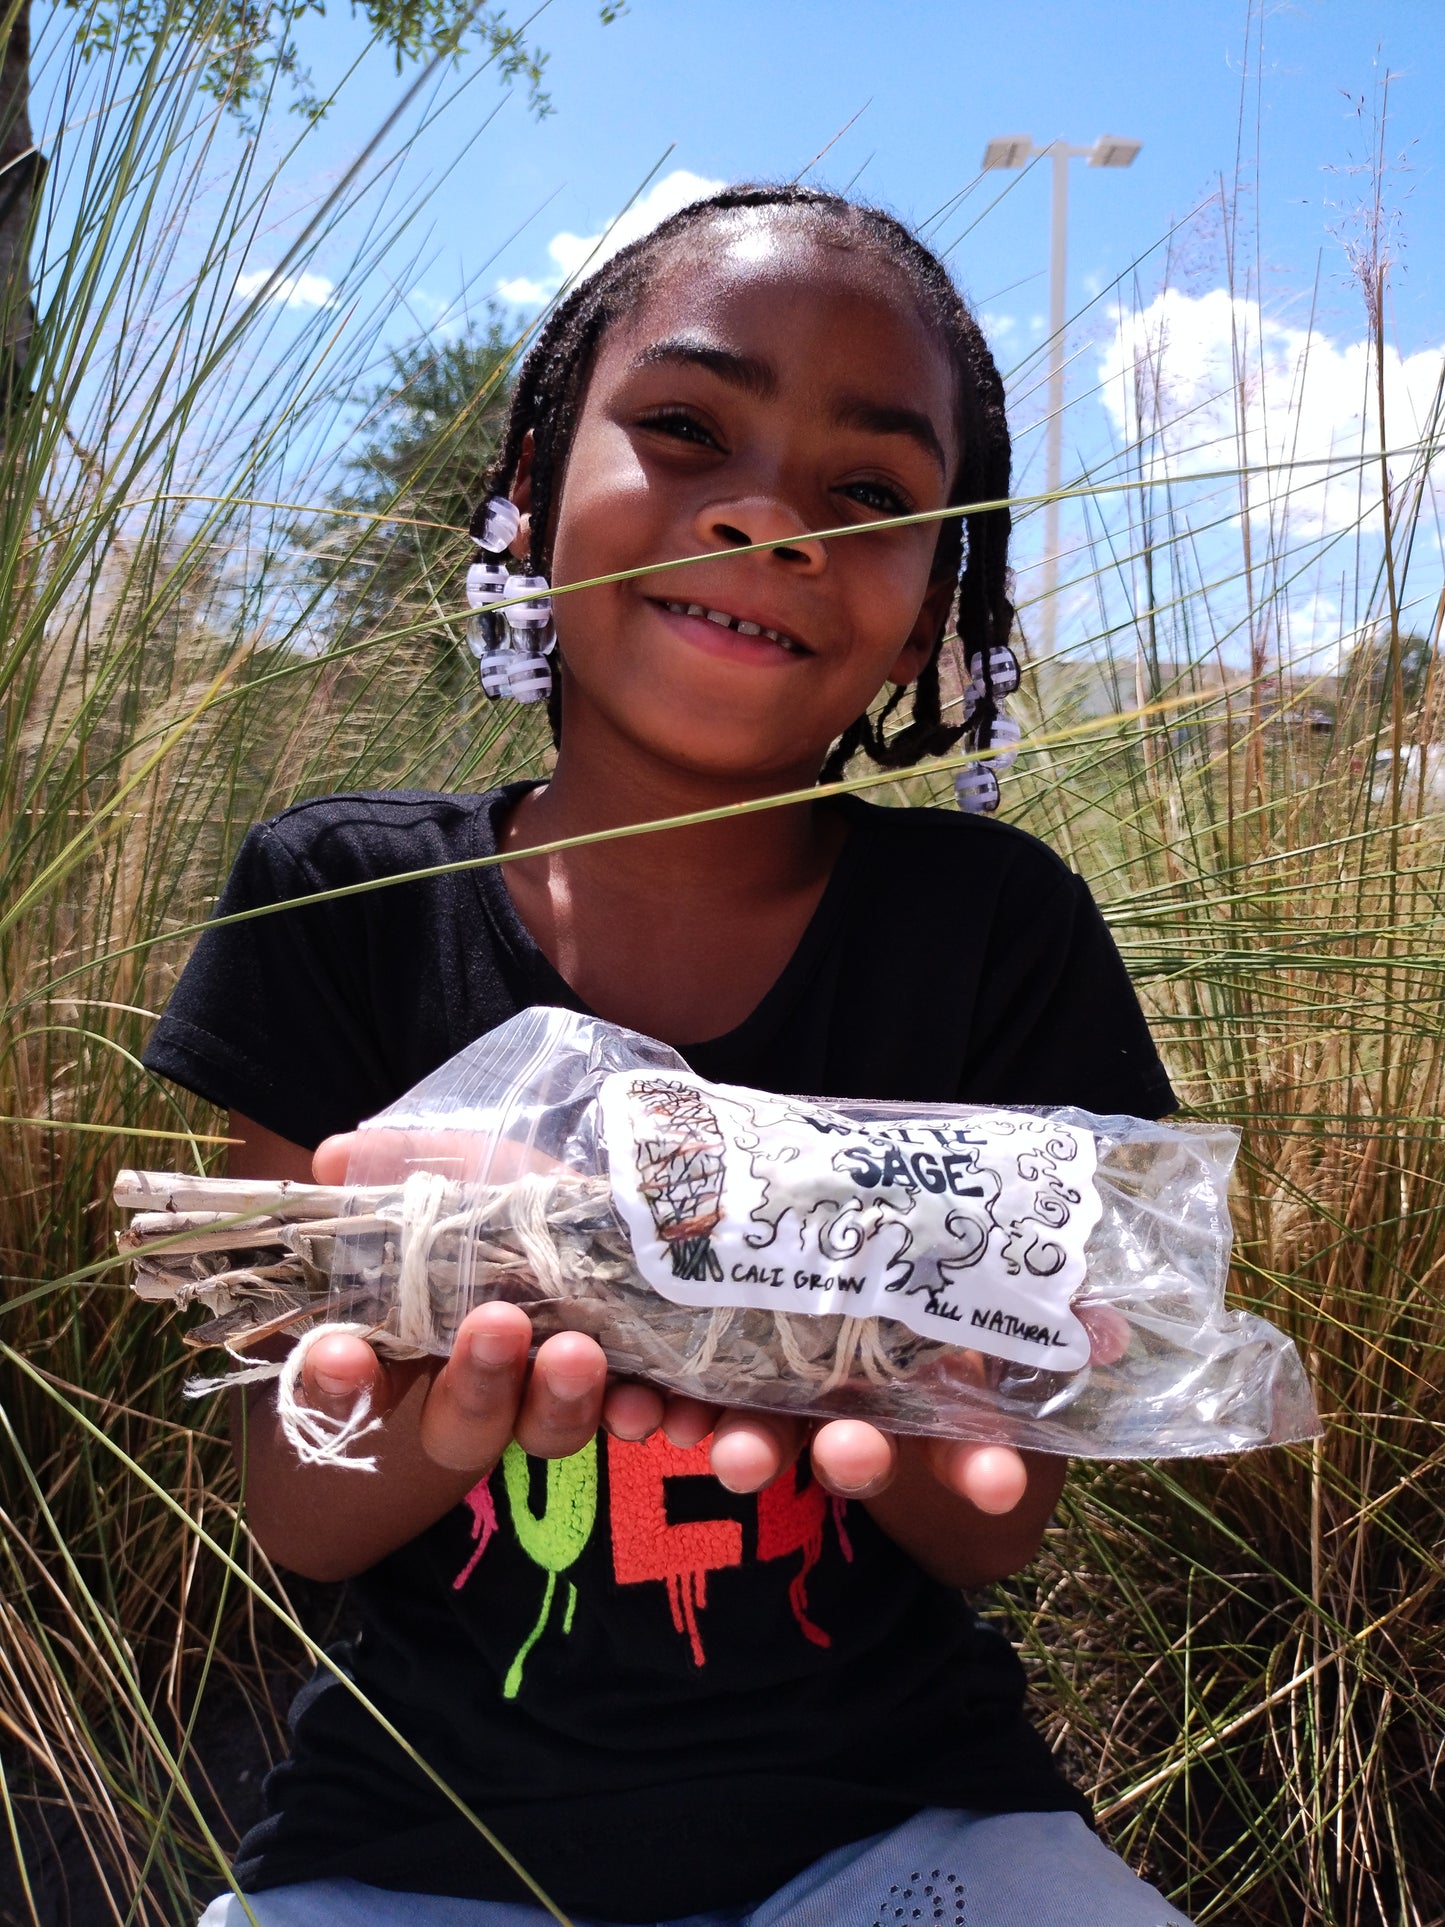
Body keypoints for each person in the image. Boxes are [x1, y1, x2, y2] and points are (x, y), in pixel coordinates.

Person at [147, 184, 1192, 1927]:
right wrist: (443, 1411)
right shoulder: (341, 898)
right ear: (539, 475)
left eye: (871, 493)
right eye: (687, 427)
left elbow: (993, 1522)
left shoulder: (994, 929)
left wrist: (873, 1371)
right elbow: (302, 1507)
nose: (772, 517)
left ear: (944, 587)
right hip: (415, 1850)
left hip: (905, 1822)